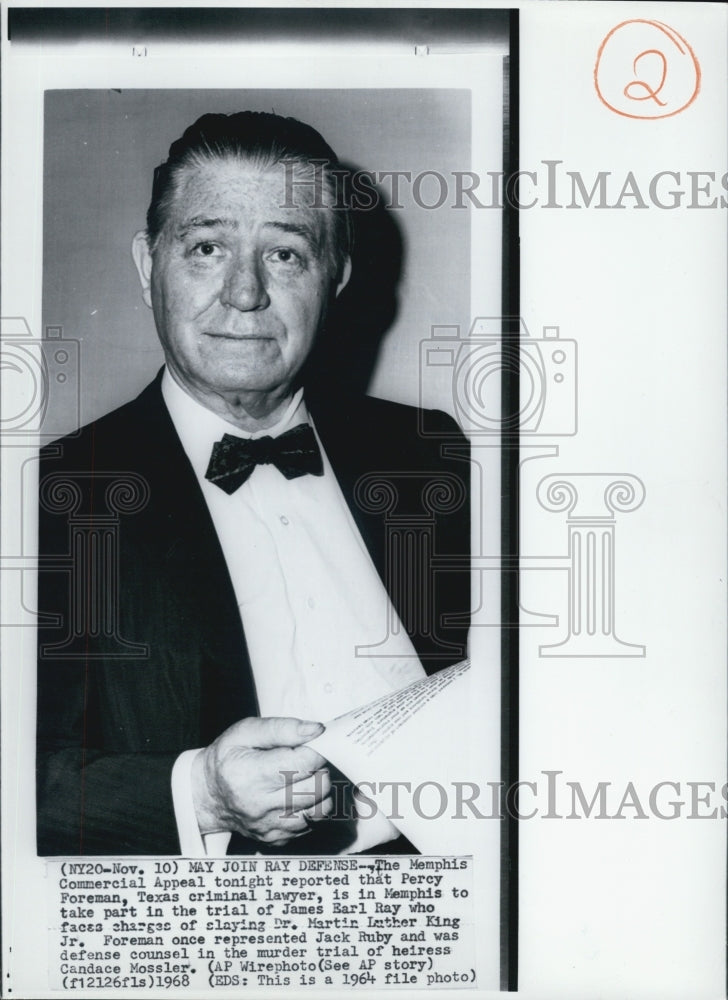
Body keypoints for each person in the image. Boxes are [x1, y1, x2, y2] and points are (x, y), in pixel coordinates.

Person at [36, 111, 470, 856]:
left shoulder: (431, 455)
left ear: (337, 275)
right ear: (149, 266)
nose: (244, 293)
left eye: (286, 254)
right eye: (207, 248)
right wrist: (199, 791)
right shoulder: (48, 497)